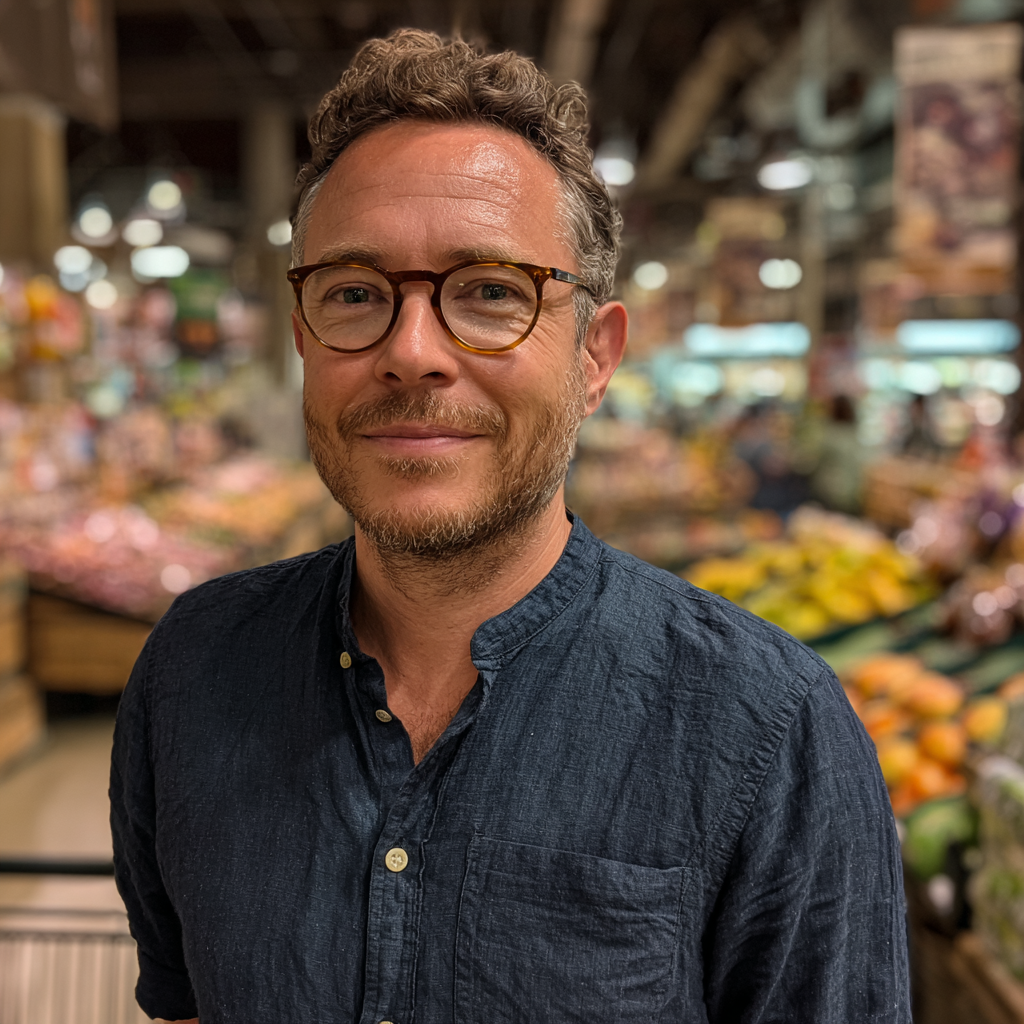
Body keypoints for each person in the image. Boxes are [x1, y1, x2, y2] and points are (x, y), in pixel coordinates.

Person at [110, 30, 910, 1024]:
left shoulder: (771, 728)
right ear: (303, 339)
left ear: (594, 357)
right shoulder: (193, 670)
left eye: (490, 293)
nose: (411, 353)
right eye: (355, 293)